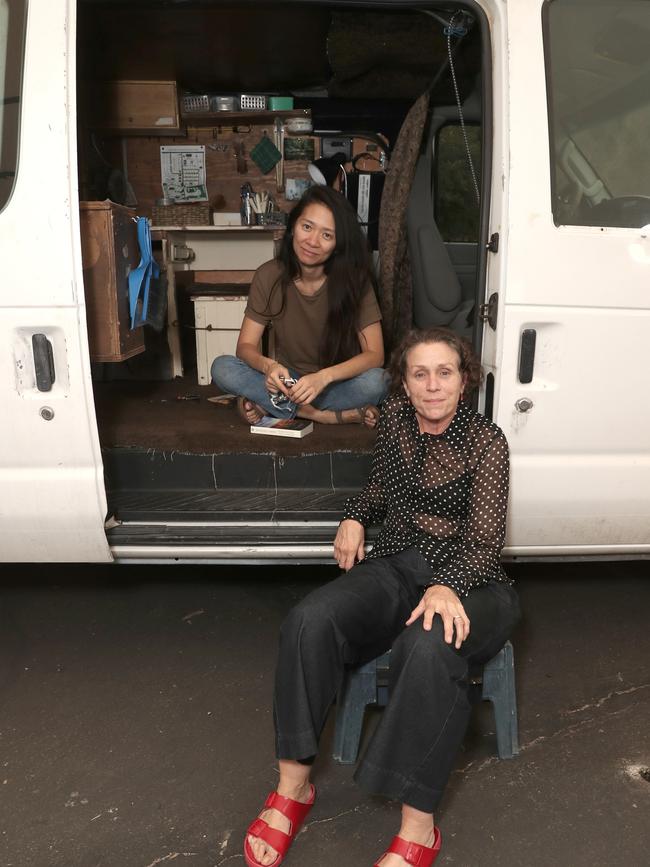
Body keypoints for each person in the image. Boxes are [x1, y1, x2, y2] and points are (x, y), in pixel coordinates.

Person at [243, 327, 521, 867]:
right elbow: (380, 486)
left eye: (445, 373)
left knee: (427, 643)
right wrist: (355, 514)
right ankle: (293, 787)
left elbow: (487, 543)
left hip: (474, 580)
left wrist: (448, 586)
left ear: (464, 381)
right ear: (405, 383)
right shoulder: (395, 421)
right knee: (311, 619)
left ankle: (419, 828)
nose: (433, 385)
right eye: (420, 374)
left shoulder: (487, 442)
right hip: (400, 564)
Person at [211, 185, 388, 428]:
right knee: (222, 368)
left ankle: (274, 407)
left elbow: (376, 355)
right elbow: (245, 346)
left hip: (334, 382)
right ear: (293, 227)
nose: (312, 242)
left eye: (327, 235)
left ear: (338, 244)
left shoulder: (355, 281)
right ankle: (320, 415)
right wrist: (270, 367)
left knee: (379, 382)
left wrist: (323, 378)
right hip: (288, 381)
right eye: (307, 227)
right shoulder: (268, 275)